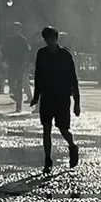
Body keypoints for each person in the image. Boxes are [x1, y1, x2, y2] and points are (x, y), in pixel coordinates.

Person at [30, 26, 81, 175]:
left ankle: (72, 145)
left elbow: (73, 79)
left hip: (62, 97)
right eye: (47, 39)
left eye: (51, 38)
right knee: (46, 129)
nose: (49, 41)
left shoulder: (65, 55)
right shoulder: (42, 54)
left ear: (56, 38)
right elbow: (38, 75)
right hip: (47, 96)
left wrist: (77, 102)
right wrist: (36, 96)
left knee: (63, 128)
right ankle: (47, 159)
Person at [2, 22, 31, 113]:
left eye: (17, 28)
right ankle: (16, 96)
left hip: (20, 65)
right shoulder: (9, 40)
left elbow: (27, 52)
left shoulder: (23, 40)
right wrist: (4, 61)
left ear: (20, 29)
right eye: (14, 28)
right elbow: (5, 51)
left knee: (19, 85)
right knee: (11, 83)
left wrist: (26, 63)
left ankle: (19, 106)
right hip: (11, 64)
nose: (15, 30)